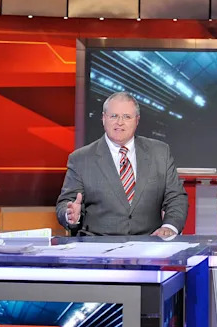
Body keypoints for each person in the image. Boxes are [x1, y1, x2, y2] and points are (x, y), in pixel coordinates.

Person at [56, 92, 188, 236]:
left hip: (149, 242)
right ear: (103, 118)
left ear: (137, 120)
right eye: (114, 116)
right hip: (99, 244)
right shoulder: (81, 159)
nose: (120, 122)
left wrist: (169, 227)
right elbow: (66, 203)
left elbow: (176, 198)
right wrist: (69, 215)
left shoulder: (160, 152)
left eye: (127, 117)